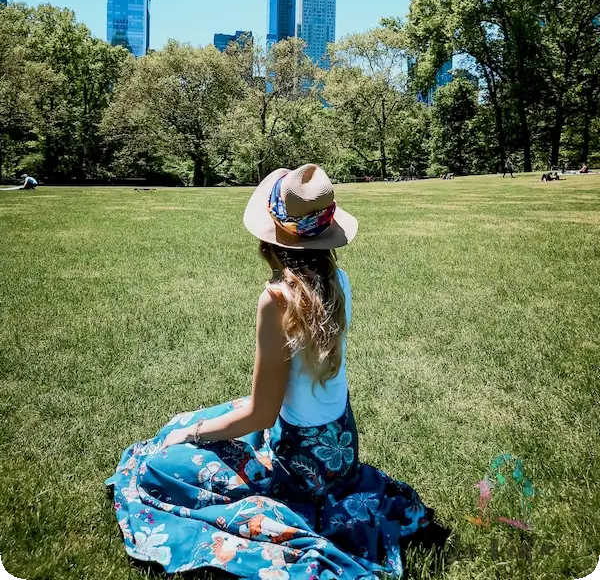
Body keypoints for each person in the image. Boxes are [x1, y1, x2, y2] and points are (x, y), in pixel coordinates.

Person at [105, 164, 441, 578]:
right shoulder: (339, 281)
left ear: (271, 239)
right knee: (209, 420)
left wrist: (190, 436)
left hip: (298, 461)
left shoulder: (277, 300)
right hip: (341, 449)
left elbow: (261, 416)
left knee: (162, 462)